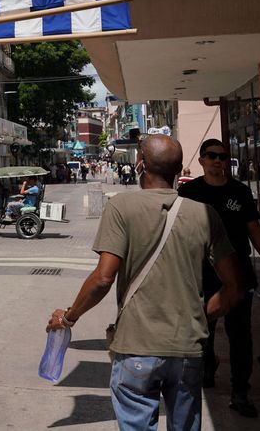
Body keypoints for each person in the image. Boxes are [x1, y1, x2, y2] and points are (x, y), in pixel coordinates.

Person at [47, 135, 242, 431]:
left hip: (137, 348)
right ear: (179, 169)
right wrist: (202, 317)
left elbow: (102, 278)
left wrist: (69, 317)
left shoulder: (121, 207)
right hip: (187, 349)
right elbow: (235, 287)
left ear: (140, 164)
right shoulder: (204, 214)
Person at [178, 138, 260, 418]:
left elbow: (254, 230)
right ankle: (207, 366)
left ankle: (240, 391)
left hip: (238, 275)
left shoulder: (240, 192)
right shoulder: (189, 192)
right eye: (211, 156)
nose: (218, 160)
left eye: (222, 156)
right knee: (202, 328)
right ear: (202, 160)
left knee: (240, 336)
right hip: (201, 274)